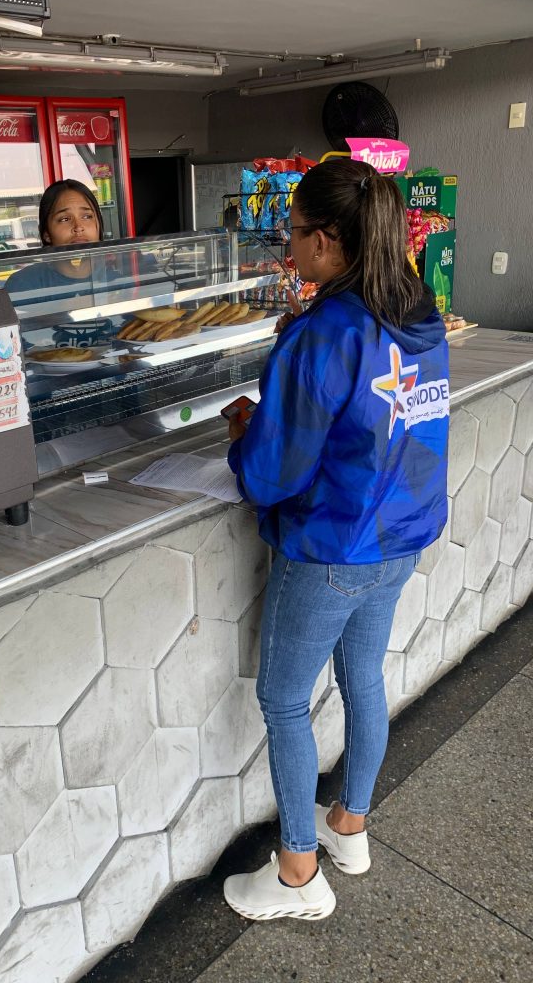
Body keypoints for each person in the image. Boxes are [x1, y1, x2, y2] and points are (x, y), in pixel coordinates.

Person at [223, 158, 449, 922]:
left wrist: (245, 435)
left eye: (292, 234)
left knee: (284, 700)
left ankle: (296, 872)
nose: (288, 248)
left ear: (325, 238)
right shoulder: (417, 312)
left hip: (332, 546)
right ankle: (348, 826)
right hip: (401, 535)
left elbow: (272, 475)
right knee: (363, 678)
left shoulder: (325, 333)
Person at [4, 179, 110, 310]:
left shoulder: (119, 280)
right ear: (46, 234)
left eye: (87, 216)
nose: (78, 227)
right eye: (64, 219)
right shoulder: (22, 285)